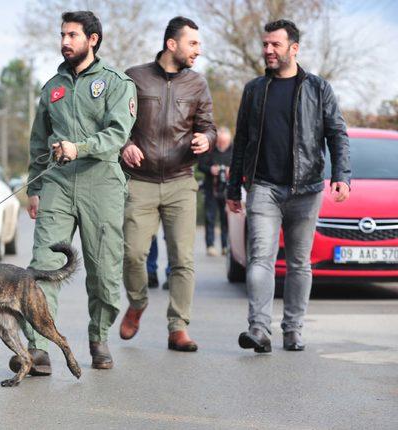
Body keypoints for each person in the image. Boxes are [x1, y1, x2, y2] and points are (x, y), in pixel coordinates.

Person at [13, 10, 137, 373]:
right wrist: (34, 187)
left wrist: (78, 148)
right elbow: (39, 141)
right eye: (62, 35)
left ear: (92, 40)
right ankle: (38, 348)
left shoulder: (117, 83)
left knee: (104, 269)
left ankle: (99, 337)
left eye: (73, 35)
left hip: (102, 182)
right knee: (44, 266)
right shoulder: (52, 87)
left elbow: (118, 133)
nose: (65, 41)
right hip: (58, 183)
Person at [227, 19, 350, 353]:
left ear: (293, 48)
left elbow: (337, 133)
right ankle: (259, 329)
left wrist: (341, 176)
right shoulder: (254, 89)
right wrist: (231, 189)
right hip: (263, 187)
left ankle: (293, 329)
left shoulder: (318, 88)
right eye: (265, 44)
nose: (267, 50)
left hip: (306, 189)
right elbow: (241, 143)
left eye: (275, 45)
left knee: (299, 263)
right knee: (260, 259)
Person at [118, 16, 216, 352]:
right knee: (132, 255)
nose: (198, 51)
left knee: (183, 260)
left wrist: (206, 139)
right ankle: (138, 302)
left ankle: (178, 327)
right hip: (140, 182)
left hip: (180, 181)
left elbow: (209, 126)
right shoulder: (134, 77)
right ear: (171, 44)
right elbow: (117, 124)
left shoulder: (198, 84)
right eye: (193, 44)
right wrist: (124, 145)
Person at [198, 126, 233, 256]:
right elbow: (201, 165)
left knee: (226, 219)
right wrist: (211, 169)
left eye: (225, 142)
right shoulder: (209, 149)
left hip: (228, 190)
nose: (222, 144)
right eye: (220, 142)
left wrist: (231, 171)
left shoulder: (234, 150)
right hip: (210, 188)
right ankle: (210, 245)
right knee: (210, 217)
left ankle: (225, 246)